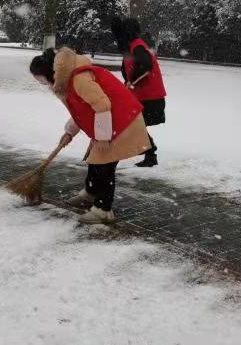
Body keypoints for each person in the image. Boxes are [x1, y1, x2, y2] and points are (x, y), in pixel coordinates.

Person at [30, 47, 151, 224]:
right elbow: (82, 109)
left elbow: (102, 105)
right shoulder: (68, 79)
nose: (45, 85)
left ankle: (103, 210)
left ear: (51, 73)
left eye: (42, 81)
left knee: (104, 165)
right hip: (111, 121)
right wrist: (70, 132)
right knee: (96, 161)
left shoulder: (79, 78)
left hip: (124, 121)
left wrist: (102, 138)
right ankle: (90, 193)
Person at [111, 17, 167, 167]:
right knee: (131, 125)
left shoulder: (137, 46)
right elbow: (129, 69)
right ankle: (149, 155)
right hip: (141, 96)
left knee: (130, 125)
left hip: (150, 97)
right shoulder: (131, 47)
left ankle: (146, 154)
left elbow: (145, 66)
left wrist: (132, 81)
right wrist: (128, 83)